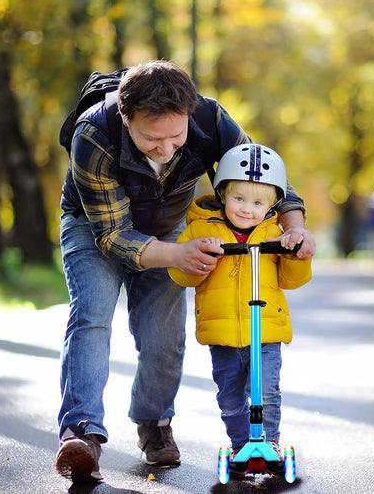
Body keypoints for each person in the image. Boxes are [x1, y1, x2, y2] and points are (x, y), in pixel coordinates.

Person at [55, 60, 315, 483]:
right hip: (95, 227)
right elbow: (113, 235)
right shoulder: (94, 134)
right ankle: (83, 435)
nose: (166, 148)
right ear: (126, 117)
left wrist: (296, 229)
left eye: (176, 136)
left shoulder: (210, 118)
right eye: (151, 139)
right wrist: (176, 255)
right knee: (92, 318)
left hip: (170, 225)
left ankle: (154, 425)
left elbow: (262, 172)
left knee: (163, 338)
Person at [168, 144, 312, 469]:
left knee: (267, 390)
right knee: (230, 396)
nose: (247, 209)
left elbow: (293, 280)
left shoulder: (275, 233)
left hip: (265, 331)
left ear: (273, 203)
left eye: (258, 202)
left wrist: (295, 251)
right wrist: (198, 257)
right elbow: (180, 275)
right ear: (222, 194)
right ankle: (239, 445)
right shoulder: (201, 230)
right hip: (222, 334)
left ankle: (269, 441)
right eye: (239, 199)